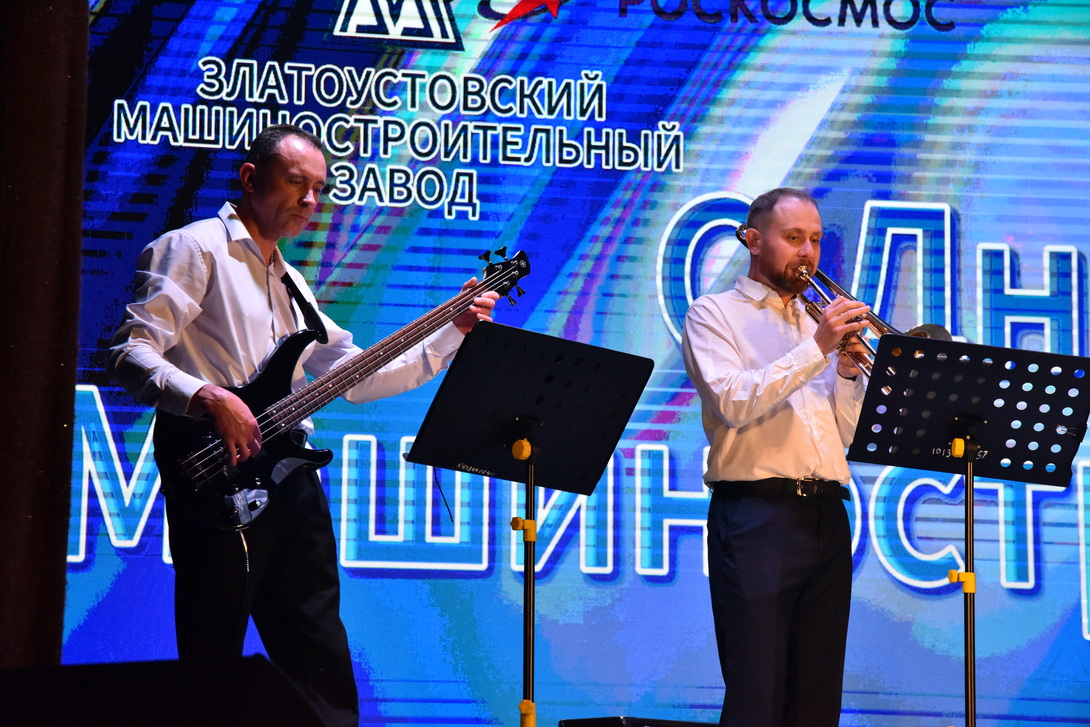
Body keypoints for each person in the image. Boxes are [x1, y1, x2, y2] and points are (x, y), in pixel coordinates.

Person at [108, 124, 497, 726]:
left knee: (319, 656)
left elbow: (356, 376)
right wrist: (209, 397)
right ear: (250, 178)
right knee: (212, 655)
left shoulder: (289, 280)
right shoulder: (194, 248)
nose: (310, 200)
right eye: (296, 183)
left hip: (289, 479)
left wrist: (452, 332)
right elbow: (131, 353)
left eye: (319, 189)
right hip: (218, 474)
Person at [681, 187, 870, 727]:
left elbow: (846, 436)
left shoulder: (816, 322)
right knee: (757, 691)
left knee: (816, 696)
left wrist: (848, 372)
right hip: (757, 514)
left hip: (827, 514)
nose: (807, 252)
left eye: (815, 239)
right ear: (753, 240)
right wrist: (818, 350)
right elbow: (733, 402)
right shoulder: (714, 314)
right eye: (793, 238)